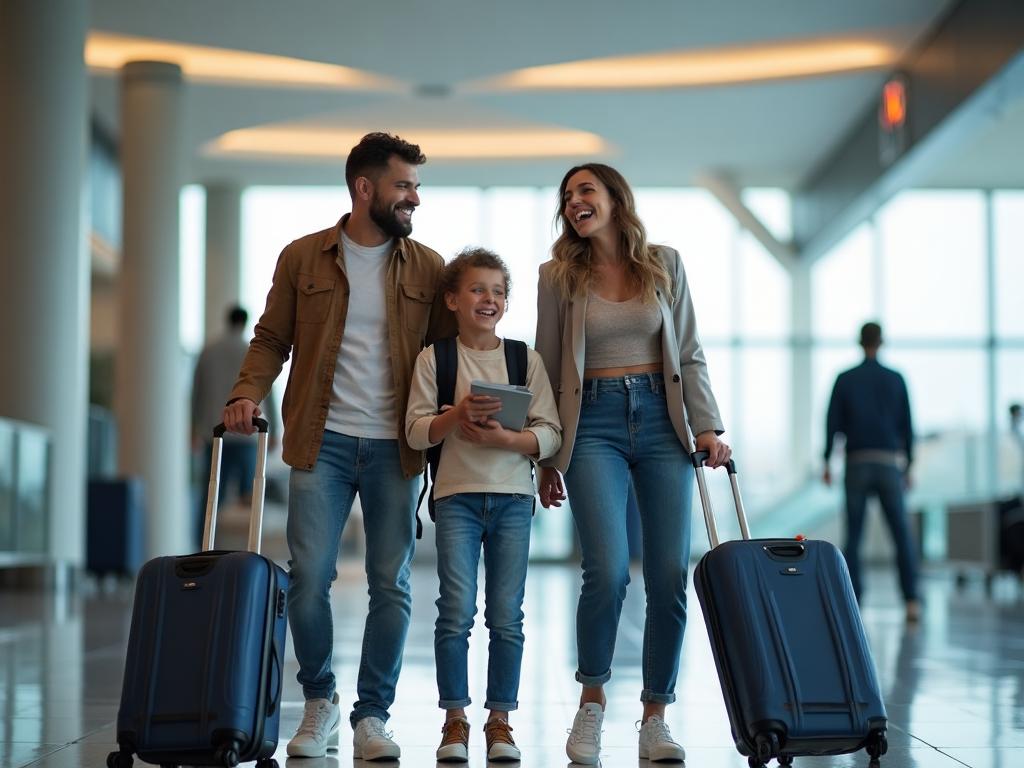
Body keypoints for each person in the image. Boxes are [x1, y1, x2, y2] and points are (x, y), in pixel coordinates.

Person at [221, 132, 454, 760]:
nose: (414, 200)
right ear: (365, 188)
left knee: (392, 583)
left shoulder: (429, 267)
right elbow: (271, 338)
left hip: (396, 447)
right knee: (309, 579)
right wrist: (246, 392)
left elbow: (448, 358)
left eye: (416, 188)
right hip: (318, 443)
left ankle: (372, 716)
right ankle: (320, 700)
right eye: (404, 186)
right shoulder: (303, 258)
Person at [534, 163, 731, 765]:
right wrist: (543, 453)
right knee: (610, 568)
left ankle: (655, 716)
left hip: (662, 421)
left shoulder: (664, 264)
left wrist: (707, 426)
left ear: (616, 198)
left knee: (670, 573)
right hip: (590, 423)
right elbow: (544, 363)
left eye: (585, 191)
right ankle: (591, 703)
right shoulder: (557, 276)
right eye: (567, 196)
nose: (574, 203)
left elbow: (689, 352)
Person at [406, 247, 561, 763]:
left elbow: (550, 433)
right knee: (454, 611)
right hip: (456, 499)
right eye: (477, 289)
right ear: (452, 298)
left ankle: (500, 721)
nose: (489, 299)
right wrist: (457, 416)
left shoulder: (525, 359)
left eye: (498, 291)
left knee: (506, 616)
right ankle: (454, 721)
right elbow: (414, 431)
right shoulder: (436, 358)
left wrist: (504, 440)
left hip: (515, 498)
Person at [823, 321, 920, 623]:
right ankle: (911, 601)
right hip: (889, 463)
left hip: (857, 462)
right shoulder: (896, 379)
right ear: (881, 342)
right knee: (901, 534)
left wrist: (827, 460)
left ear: (859, 342)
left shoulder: (845, 379)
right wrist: (910, 464)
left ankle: (854, 600)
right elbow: (907, 425)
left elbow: (831, 422)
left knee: (854, 535)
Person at [190, 304, 275, 548]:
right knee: (253, 497)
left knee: (211, 496)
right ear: (245, 322)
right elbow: (268, 392)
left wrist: (194, 428)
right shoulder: (252, 351)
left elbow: (197, 392)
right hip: (249, 434)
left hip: (216, 433)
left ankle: (203, 548)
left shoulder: (208, 351)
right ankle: (250, 550)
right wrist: (275, 431)